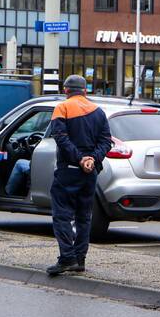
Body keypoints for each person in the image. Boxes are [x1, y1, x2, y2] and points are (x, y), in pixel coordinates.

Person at [46, 75, 113, 276]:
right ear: (85, 91)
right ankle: (80, 259)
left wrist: (79, 159)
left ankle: (67, 258)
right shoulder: (98, 112)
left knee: (62, 215)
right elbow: (106, 141)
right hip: (90, 171)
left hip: (69, 169)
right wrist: (91, 159)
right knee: (84, 216)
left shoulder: (62, 108)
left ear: (66, 90)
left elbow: (60, 138)